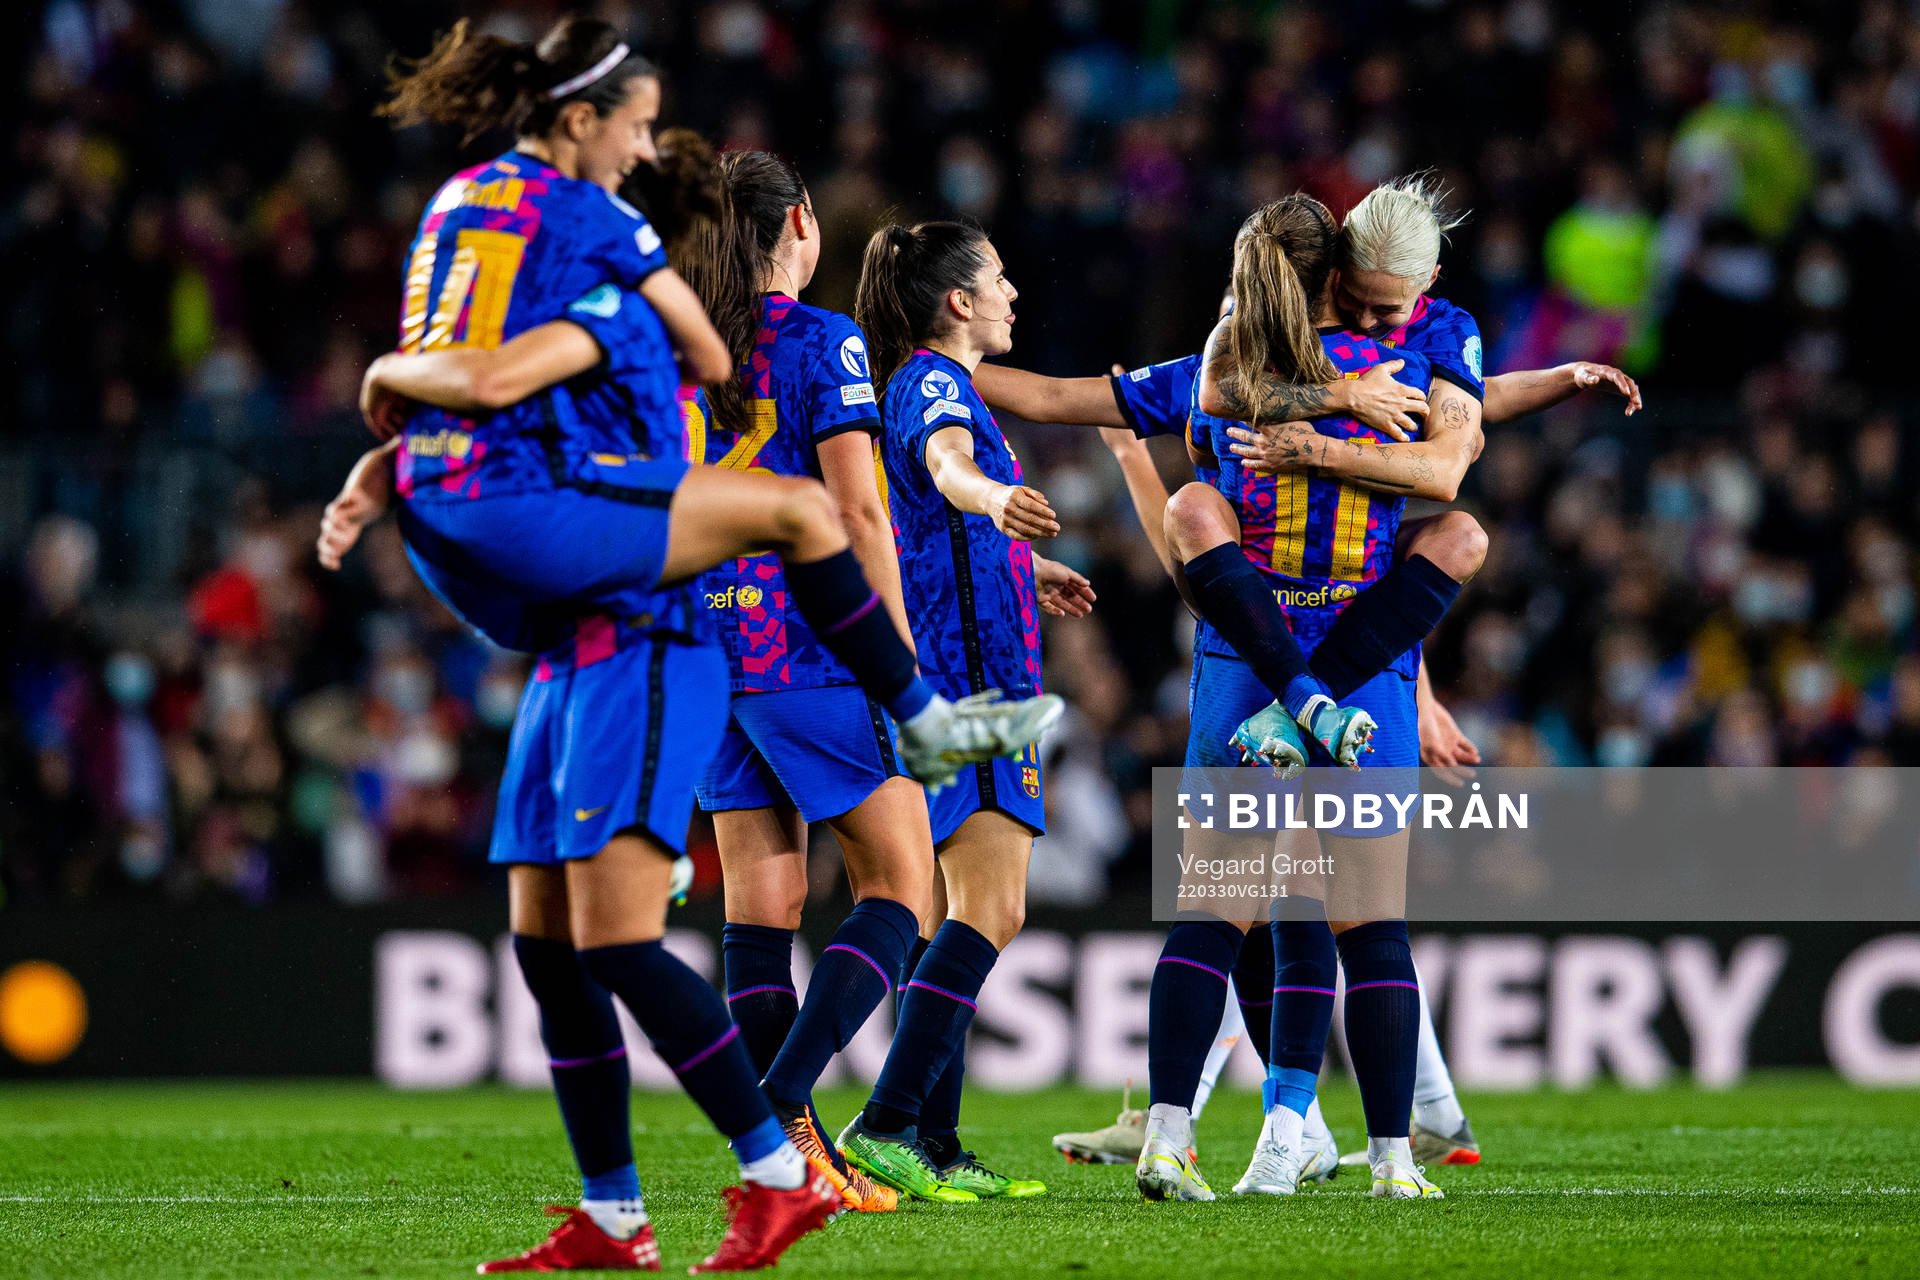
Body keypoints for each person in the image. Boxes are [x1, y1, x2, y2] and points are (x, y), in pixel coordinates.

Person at [350, 21, 1060, 1271]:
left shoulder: (610, 300)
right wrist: (901, 666)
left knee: (764, 903)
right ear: (794, 229)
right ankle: (789, 1124)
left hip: (689, 642)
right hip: (805, 644)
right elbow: (853, 517)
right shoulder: (814, 338)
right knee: (900, 886)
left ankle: (716, 1171)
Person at [832, 221, 1093, 1204]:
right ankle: (888, 1120)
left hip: (950, 663)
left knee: (953, 910)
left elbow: (925, 519)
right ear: (957, 303)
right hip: (978, 684)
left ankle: (932, 1139)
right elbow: (947, 470)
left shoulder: (915, 382)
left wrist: (1024, 561)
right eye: (998, 275)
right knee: (996, 906)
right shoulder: (940, 385)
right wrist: (995, 501)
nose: (1013, 290)